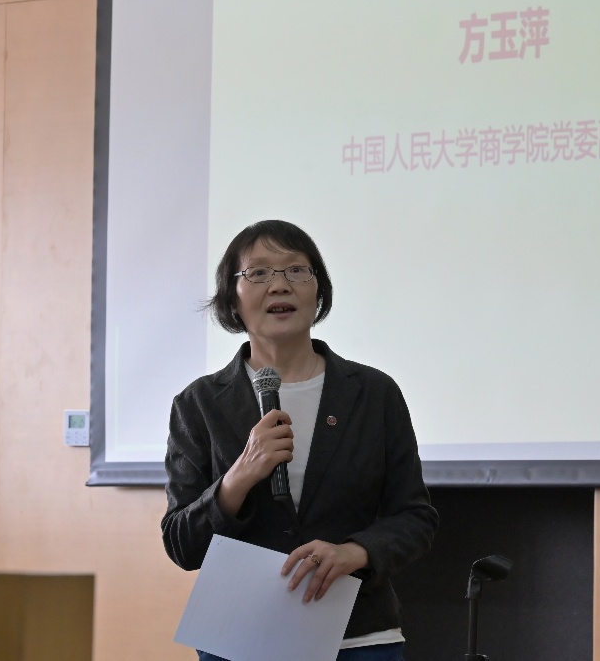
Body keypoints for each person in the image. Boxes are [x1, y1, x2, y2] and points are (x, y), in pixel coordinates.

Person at [161, 220, 438, 661]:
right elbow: (182, 545)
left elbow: (415, 517)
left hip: (356, 636)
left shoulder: (373, 394)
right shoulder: (199, 404)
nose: (279, 285)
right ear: (232, 298)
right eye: (258, 272)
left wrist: (355, 552)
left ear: (318, 290)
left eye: (296, 270)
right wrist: (237, 479)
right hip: (238, 637)